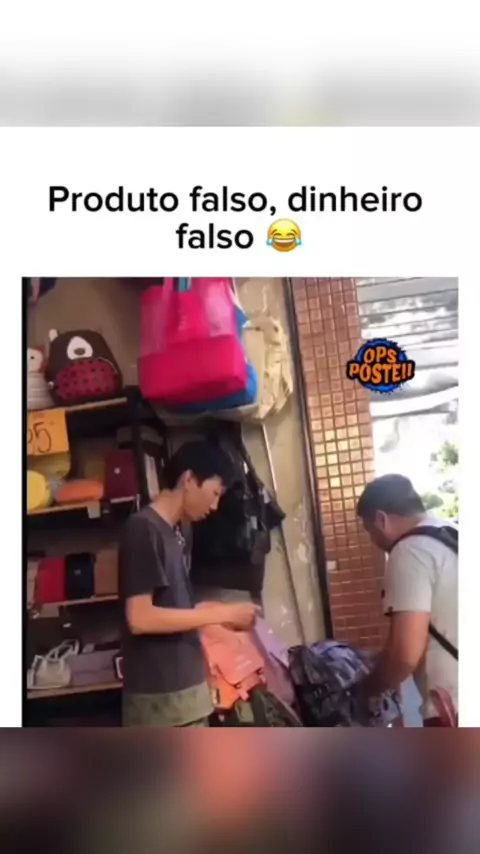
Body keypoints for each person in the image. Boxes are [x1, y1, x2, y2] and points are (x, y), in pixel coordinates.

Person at [120, 440, 259, 727]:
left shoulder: (178, 532)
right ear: (188, 479)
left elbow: (175, 609)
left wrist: (220, 619)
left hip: (187, 697)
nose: (215, 505)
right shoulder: (143, 529)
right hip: (161, 703)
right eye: (214, 493)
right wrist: (222, 613)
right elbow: (140, 618)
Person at [355, 474, 458, 727]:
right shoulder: (452, 534)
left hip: (454, 706)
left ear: (382, 519)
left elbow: (404, 655)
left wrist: (366, 689)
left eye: (370, 531)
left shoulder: (409, 550)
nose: (373, 540)